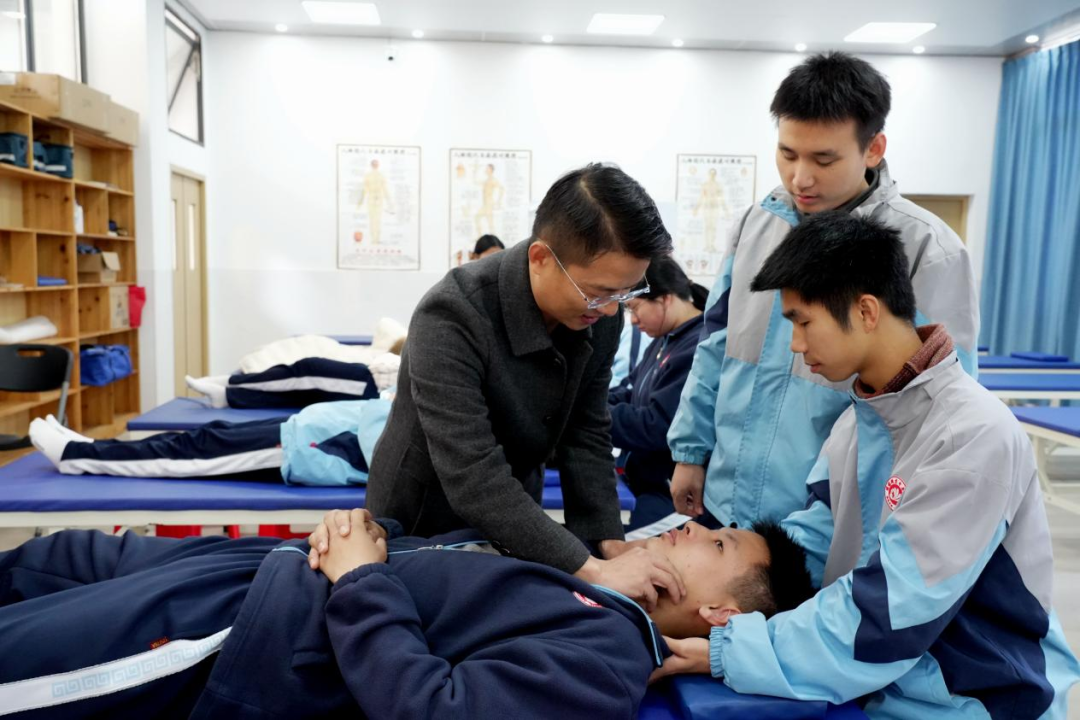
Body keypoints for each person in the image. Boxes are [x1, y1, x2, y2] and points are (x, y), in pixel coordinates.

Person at [654, 212, 1080, 718]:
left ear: (866, 311)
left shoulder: (970, 436)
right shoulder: (859, 423)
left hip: (971, 699)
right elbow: (812, 544)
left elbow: (891, 615)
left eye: (803, 322)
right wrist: (705, 581)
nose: (795, 345)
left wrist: (731, 650)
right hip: (886, 686)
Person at [0, 509, 814, 717]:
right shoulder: (596, 581)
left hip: (243, 637)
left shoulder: (608, 655)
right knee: (53, 556)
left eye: (716, 543)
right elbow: (450, 569)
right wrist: (378, 539)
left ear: (718, 612)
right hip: (261, 573)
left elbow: (433, 709)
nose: (689, 528)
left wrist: (361, 577)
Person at [667, 51, 980, 529]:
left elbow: (942, 405)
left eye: (824, 159)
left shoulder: (926, 249)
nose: (800, 178)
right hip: (726, 498)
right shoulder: (755, 225)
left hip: (831, 514)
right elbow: (716, 344)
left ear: (873, 149)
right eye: (787, 154)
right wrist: (690, 451)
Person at [363, 163, 683, 609]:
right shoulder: (452, 314)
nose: (611, 311)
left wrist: (607, 540)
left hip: (515, 506)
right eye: (598, 293)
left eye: (625, 293)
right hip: (424, 512)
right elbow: (472, 474)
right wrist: (592, 570)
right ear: (540, 259)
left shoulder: (598, 311)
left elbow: (586, 430)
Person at [29, 397, 390, 486]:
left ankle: (74, 455)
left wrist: (388, 400)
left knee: (186, 454)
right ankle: (90, 445)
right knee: (203, 436)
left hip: (303, 451)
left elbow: (387, 448)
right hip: (305, 429)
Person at [607, 255, 708, 530]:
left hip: (669, 494)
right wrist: (589, 404)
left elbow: (658, 425)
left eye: (635, 308)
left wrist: (593, 417)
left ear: (664, 299)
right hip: (641, 480)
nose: (634, 320)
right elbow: (629, 391)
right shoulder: (664, 340)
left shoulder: (697, 347)